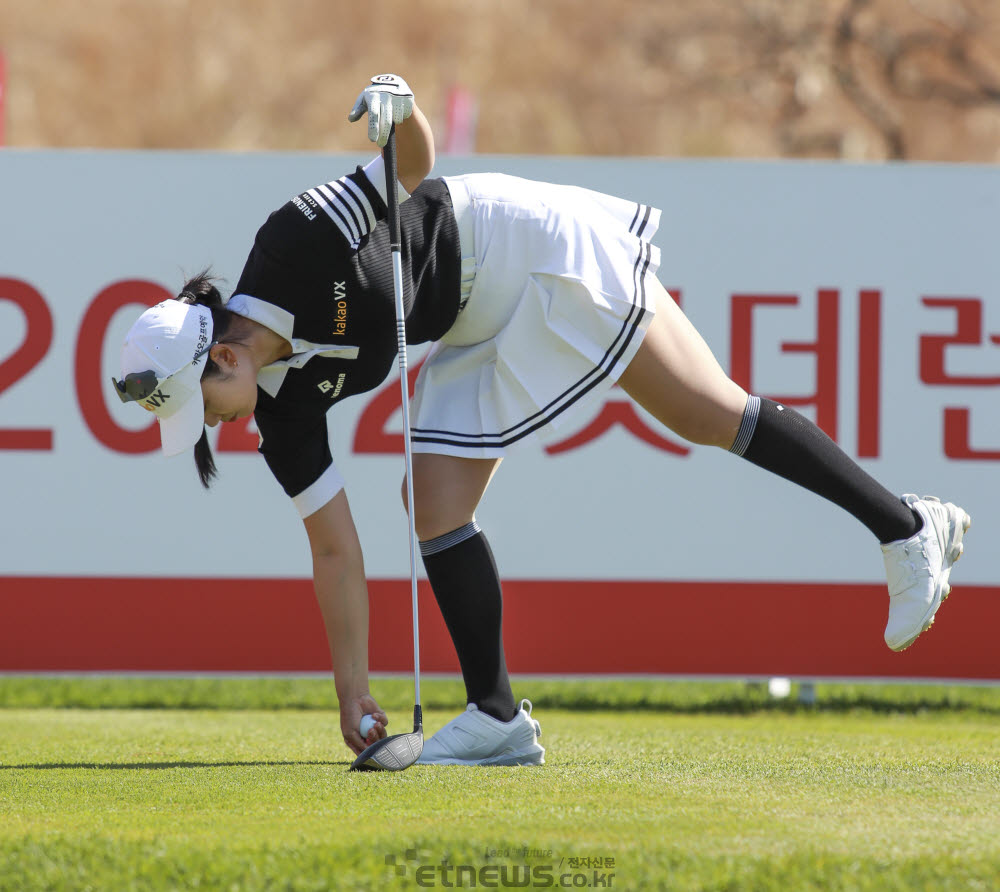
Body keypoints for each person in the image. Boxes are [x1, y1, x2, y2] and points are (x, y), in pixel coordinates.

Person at [114, 74, 971, 767]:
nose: (216, 426)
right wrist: (351, 689)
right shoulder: (283, 414)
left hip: (523, 247)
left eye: (203, 409)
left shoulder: (295, 243)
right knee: (442, 496)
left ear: (221, 357)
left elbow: (407, 168)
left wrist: (399, 105)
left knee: (709, 412)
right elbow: (334, 548)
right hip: (474, 319)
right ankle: (495, 715)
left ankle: (903, 529)